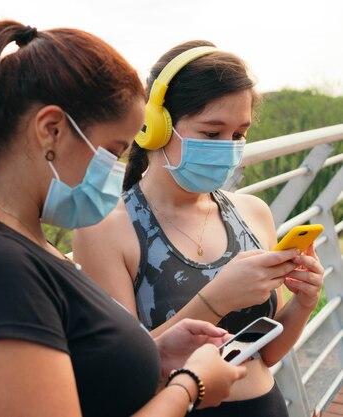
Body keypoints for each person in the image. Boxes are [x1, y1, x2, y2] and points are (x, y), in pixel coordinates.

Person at [0, 23, 248, 417]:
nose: (115, 171)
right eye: (112, 151)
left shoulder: (19, 243)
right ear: (51, 131)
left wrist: (154, 355)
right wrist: (189, 387)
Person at [73, 40, 325, 416]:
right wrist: (217, 299)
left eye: (239, 134)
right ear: (156, 126)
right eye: (212, 133)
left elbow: (267, 353)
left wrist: (305, 302)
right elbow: (123, 369)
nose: (228, 147)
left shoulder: (252, 212)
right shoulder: (105, 229)